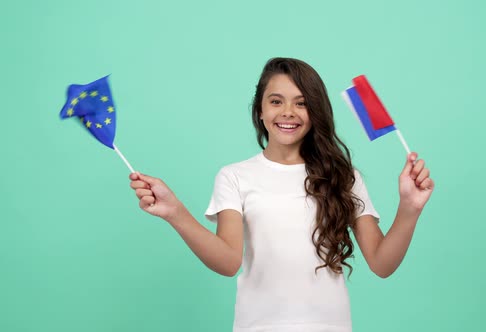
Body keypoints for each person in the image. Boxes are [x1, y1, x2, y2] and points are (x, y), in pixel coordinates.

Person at [129, 57, 434, 332]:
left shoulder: (344, 177)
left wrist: (409, 208)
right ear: (260, 110)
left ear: (315, 112)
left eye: (301, 103)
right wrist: (175, 213)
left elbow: (382, 263)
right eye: (276, 101)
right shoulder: (234, 176)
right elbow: (227, 261)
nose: (288, 112)